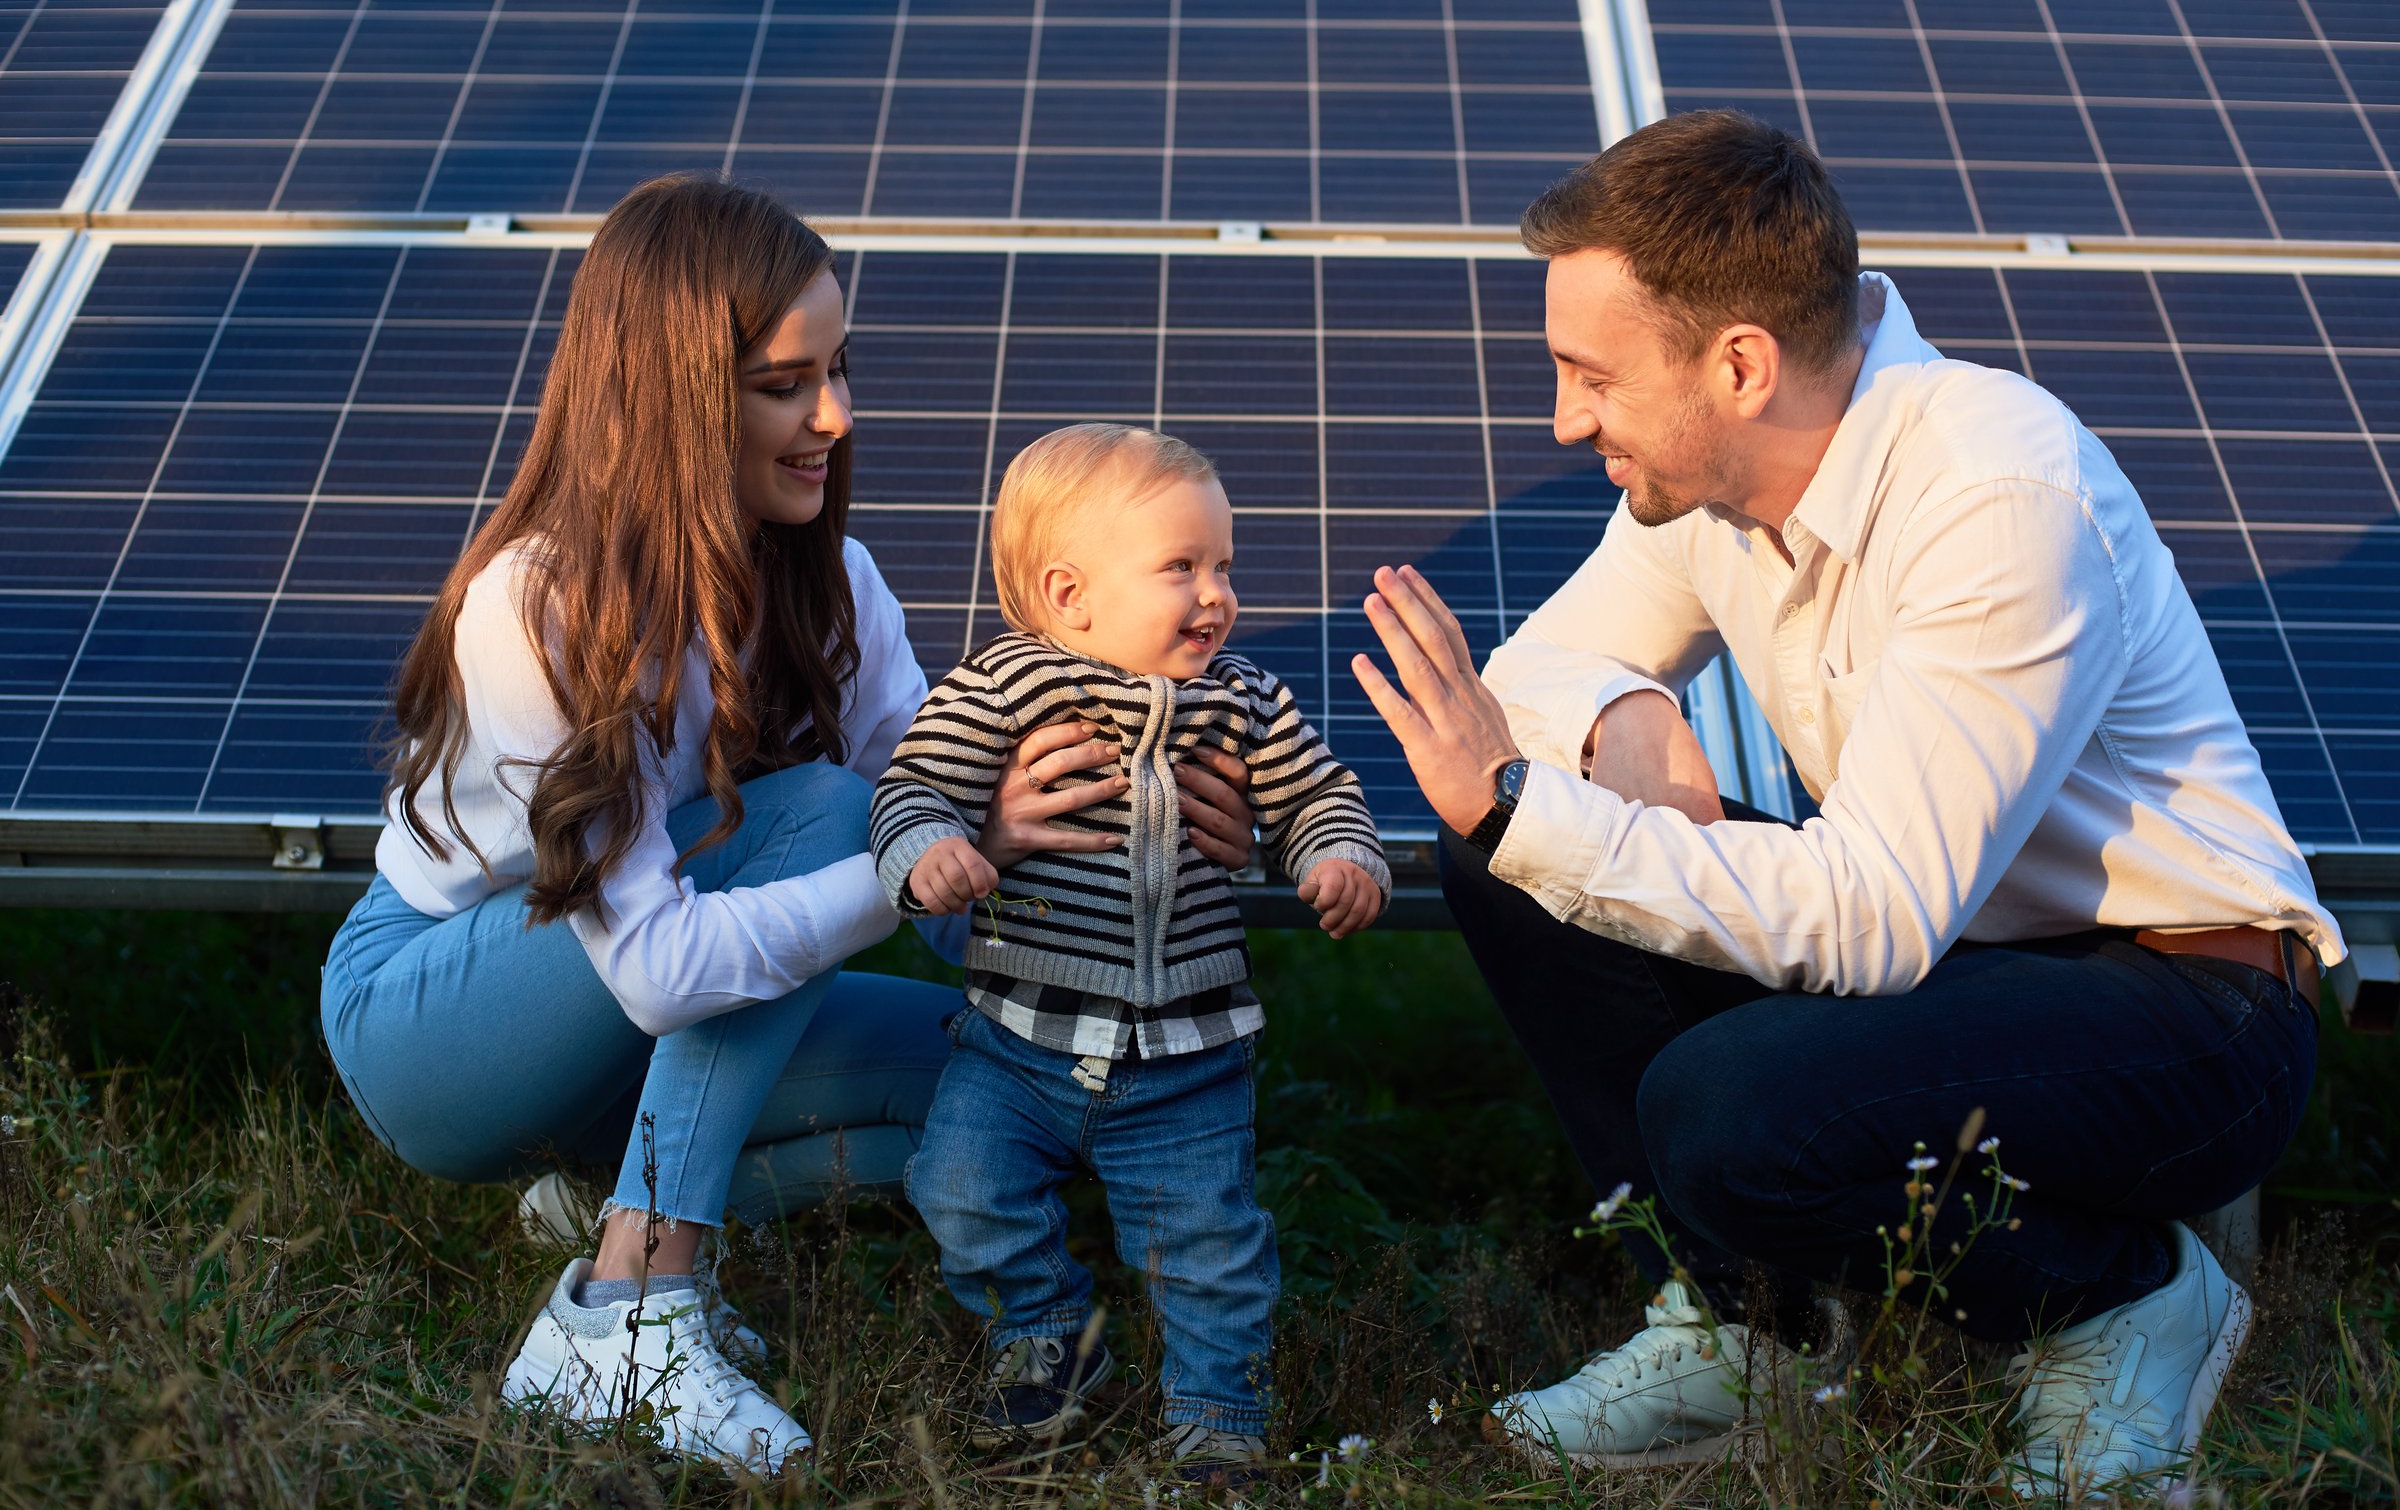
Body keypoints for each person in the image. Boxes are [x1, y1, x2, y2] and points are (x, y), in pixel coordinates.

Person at [1348, 111, 2340, 1500]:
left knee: (1725, 1097)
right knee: (1508, 865)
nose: (1566, 419)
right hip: (1962, 959)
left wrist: (1533, 811)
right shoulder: (1708, 480)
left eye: (1592, 374)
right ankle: (1735, 1334)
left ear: (1740, 363)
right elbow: (1540, 669)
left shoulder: (1996, 496)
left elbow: (1870, 920)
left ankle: (2123, 1297)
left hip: (2185, 1009)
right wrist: (1628, 713)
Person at [317, 182, 1263, 1474]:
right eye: (783, 383)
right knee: (827, 809)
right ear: (672, 397)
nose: (834, 416)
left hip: (626, 1032)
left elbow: (959, 911)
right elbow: (663, 967)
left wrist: (1146, 822)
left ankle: (615, 1191)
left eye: (838, 370)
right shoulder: (535, 603)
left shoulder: (839, 581)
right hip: (443, 1025)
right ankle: (630, 1310)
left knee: (1025, 1084)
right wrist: (946, 842)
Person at [871, 424, 1389, 1472]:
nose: (1217, 595)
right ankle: (1047, 1348)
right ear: (1072, 596)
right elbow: (913, 784)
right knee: (960, 1188)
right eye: (1181, 568)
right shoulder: (1005, 687)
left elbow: (1318, 796)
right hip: (1019, 1038)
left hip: (1186, 1053)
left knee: (1207, 1247)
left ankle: (1217, 1421)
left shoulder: (1244, 700)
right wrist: (929, 849)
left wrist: (1341, 856)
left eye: (1223, 566)